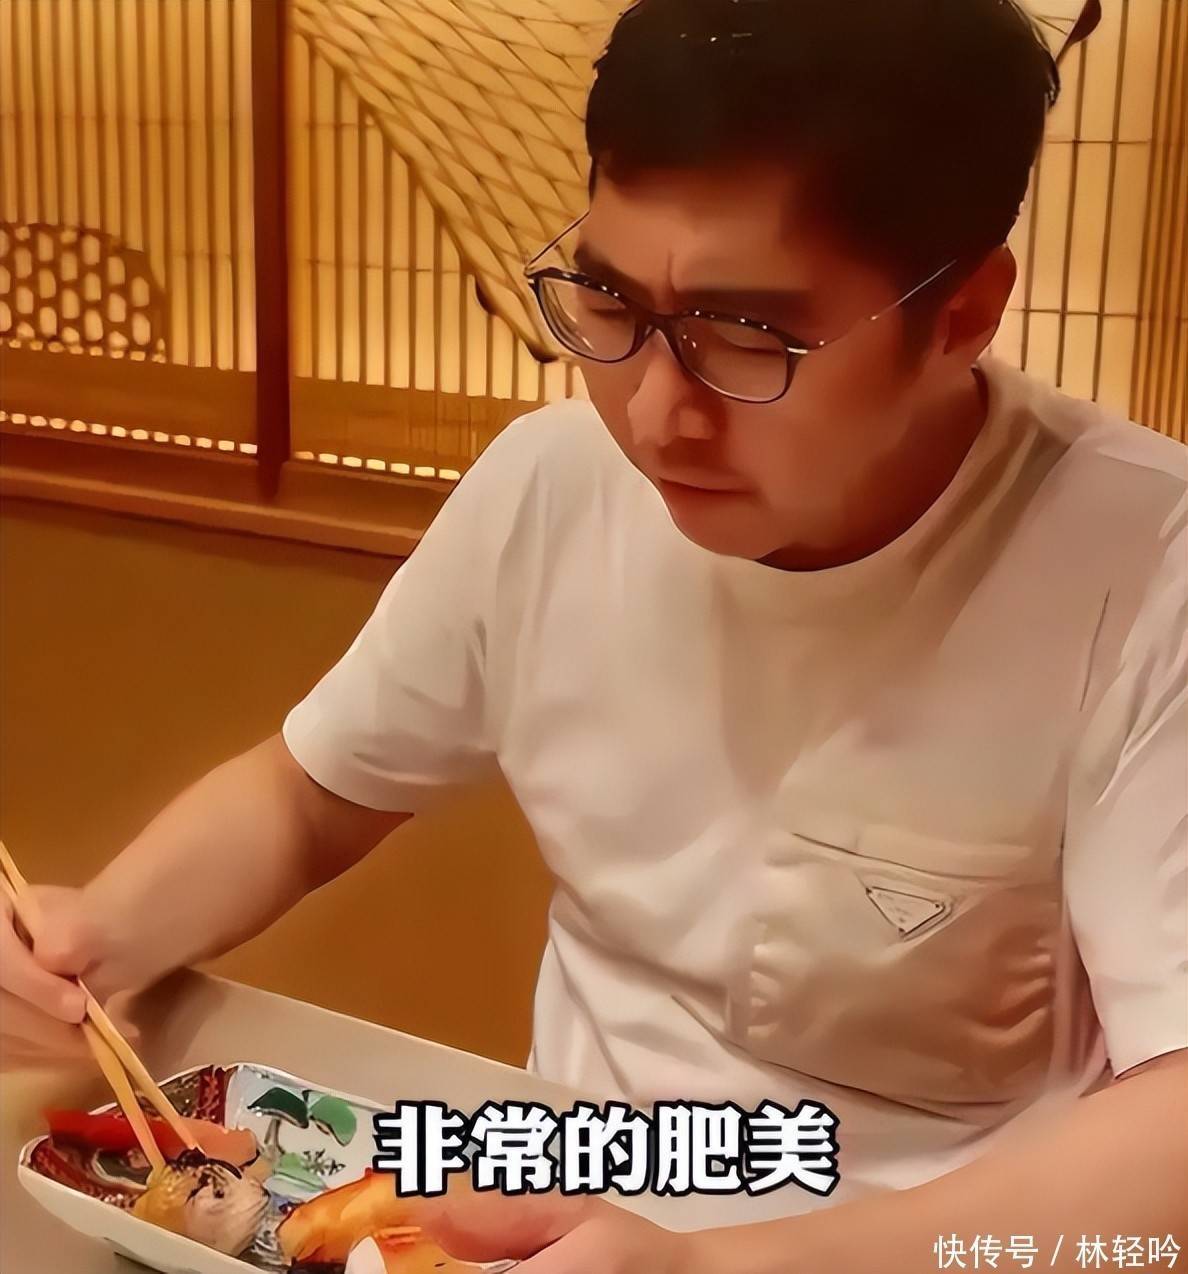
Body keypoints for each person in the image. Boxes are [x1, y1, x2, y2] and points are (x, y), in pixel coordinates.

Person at [4, 0, 1185, 1267]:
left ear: (960, 314)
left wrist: (707, 1265)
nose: (656, 412)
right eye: (612, 305)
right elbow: (309, 793)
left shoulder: (1143, 563)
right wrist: (97, 934)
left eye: (747, 336)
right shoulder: (554, 483)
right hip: (550, 1204)